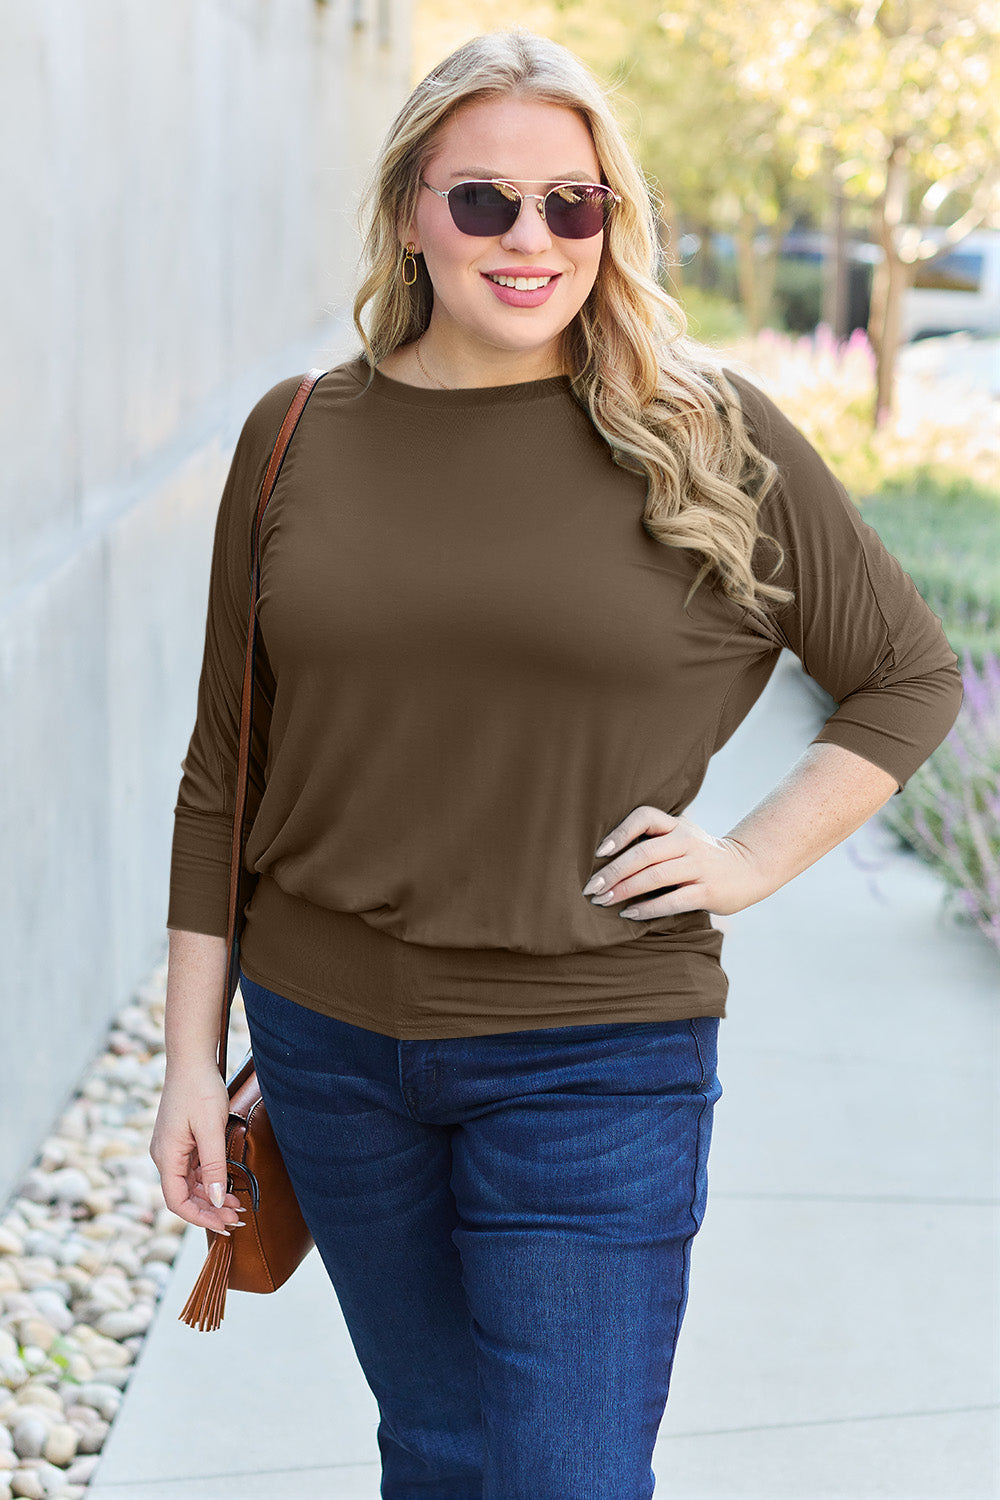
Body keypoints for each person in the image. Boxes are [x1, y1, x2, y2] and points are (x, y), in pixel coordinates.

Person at [150, 27, 963, 1499]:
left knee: (569, 1477)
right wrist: (191, 1066)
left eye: (572, 205)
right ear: (411, 208)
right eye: (485, 203)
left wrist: (755, 857)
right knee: (443, 1448)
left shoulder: (710, 437)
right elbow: (225, 766)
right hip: (332, 1052)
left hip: (596, 1055)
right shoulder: (293, 439)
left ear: (611, 218)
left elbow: (904, 675)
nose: (532, 240)